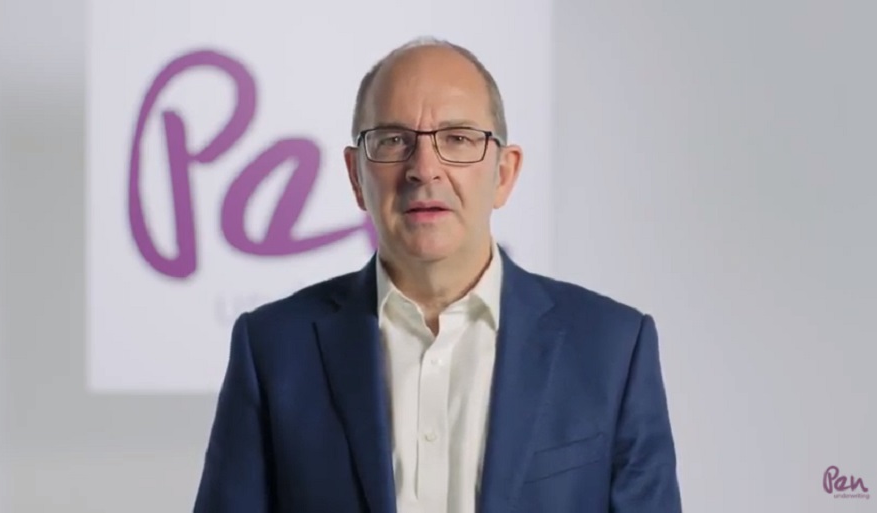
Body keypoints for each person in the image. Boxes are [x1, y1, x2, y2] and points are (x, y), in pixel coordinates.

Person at [193, 37, 682, 513]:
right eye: (393, 140)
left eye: (458, 139)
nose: (424, 168)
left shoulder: (612, 349)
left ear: (505, 173)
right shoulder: (273, 349)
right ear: (356, 175)